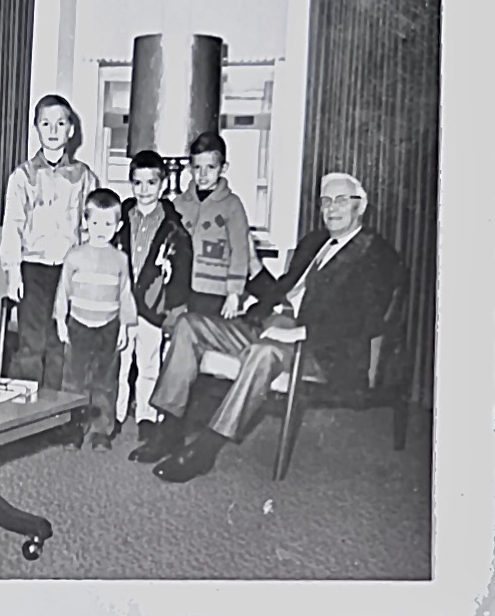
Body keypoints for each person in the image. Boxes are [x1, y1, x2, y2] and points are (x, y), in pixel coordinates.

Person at [129, 171, 403, 483]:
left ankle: (205, 450)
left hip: (319, 349)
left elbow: (365, 319)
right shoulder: (314, 242)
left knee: (263, 353)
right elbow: (281, 290)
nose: (331, 208)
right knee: (188, 325)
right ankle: (170, 429)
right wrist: (254, 266)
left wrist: (299, 333)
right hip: (271, 326)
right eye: (326, 201)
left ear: (360, 206)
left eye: (341, 200)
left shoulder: (376, 253)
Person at [0, 94, 98, 390]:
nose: (53, 130)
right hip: (32, 269)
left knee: (60, 342)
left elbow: (91, 229)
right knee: (32, 344)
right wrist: (13, 272)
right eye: (46, 123)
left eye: (60, 123)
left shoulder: (84, 177)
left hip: (68, 272)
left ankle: (56, 410)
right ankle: (24, 409)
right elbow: (12, 226)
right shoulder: (23, 176)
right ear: (36, 128)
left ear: (71, 129)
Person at [112, 150, 193, 442]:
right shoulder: (120, 219)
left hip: (152, 305)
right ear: (130, 183)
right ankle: (116, 414)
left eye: (151, 183)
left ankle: (146, 416)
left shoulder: (173, 227)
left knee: (149, 364)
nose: (144, 190)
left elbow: (181, 271)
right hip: (122, 305)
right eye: (138, 183)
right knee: (120, 363)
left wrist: (172, 306)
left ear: (162, 184)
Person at [54, 188, 136, 450]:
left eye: (108, 224)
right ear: (85, 222)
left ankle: (101, 431)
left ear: (118, 226)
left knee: (105, 381)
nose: (101, 229)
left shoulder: (120, 259)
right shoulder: (74, 256)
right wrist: (60, 320)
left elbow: (125, 293)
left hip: (109, 326)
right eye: (96, 222)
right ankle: (72, 429)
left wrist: (124, 327)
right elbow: (63, 291)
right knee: (74, 380)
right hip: (78, 324)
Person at [173, 131, 251, 320]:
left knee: (207, 332)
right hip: (182, 288)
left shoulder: (232, 205)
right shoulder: (179, 204)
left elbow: (240, 251)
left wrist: (234, 293)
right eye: (197, 167)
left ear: (223, 168)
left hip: (216, 292)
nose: (203, 174)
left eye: (210, 167)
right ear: (189, 167)